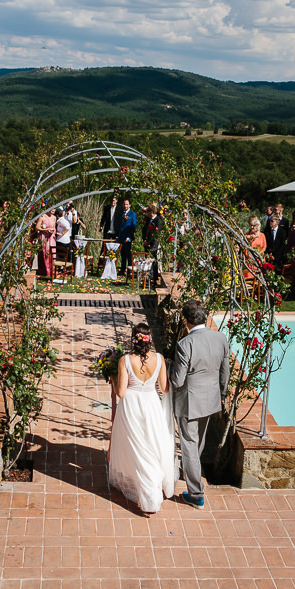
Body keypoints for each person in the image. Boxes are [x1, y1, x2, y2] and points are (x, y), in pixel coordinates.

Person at [167, 300, 231, 510]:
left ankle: (195, 494)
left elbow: (177, 380)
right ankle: (190, 469)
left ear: (186, 321)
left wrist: (168, 368)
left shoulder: (185, 344)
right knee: (197, 441)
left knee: (189, 444)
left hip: (189, 402)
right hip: (211, 400)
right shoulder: (220, 338)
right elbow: (225, 372)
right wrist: (221, 393)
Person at [108, 323, 174, 515]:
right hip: (151, 405)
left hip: (131, 405)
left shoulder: (125, 360)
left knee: (136, 447)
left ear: (133, 338)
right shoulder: (159, 359)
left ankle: (150, 496)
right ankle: (151, 487)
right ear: (149, 339)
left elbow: (120, 392)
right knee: (150, 446)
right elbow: (164, 389)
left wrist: (112, 379)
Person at [143, 204, 164, 286]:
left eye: (148, 211)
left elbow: (156, 234)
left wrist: (149, 242)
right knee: (147, 261)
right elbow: (144, 230)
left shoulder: (158, 221)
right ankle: (148, 278)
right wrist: (145, 240)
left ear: (151, 212)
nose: (147, 213)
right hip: (146, 243)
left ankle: (154, 278)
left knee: (154, 262)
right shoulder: (148, 220)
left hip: (153, 244)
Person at [118, 199, 137, 276]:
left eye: (127, 204)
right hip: (121, 237)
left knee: (128, 255)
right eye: (124, 204)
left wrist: (129, 237)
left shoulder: (132, 214)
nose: (125, 206)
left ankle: (129, 271)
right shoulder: (121, 214)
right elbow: (119, 225)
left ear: (129, 205)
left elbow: (134, 226)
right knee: (122, 255)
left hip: (128, 238)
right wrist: (118, 235)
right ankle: (122, 270)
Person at [35, 208, 56, 277]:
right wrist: (45, 230)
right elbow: (37, 227)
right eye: (52, 210)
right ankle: (44, 270)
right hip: (44, 236)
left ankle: (52, 270)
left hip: (51, 237)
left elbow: (54, 227)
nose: (53, 211)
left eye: (54, 210)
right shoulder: (42, 217)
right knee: (45, 253)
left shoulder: (54, 217)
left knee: (52, 253)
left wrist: (53, 231)